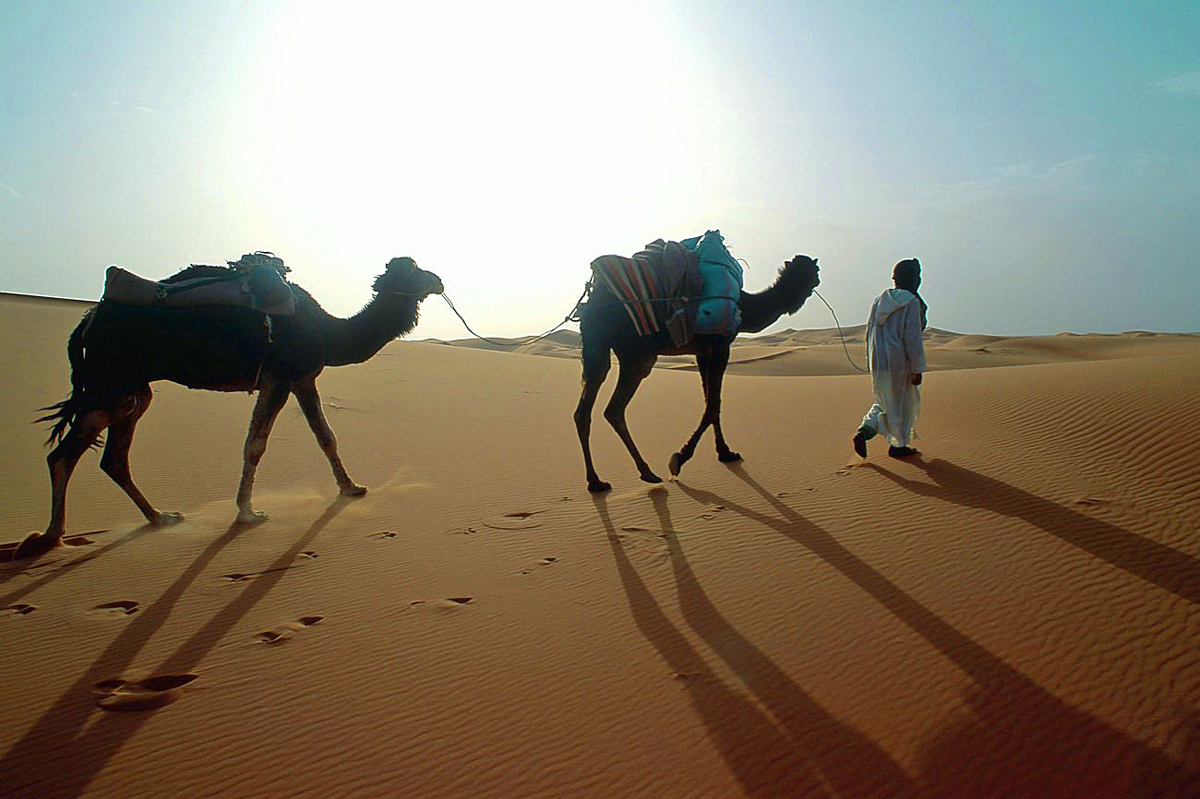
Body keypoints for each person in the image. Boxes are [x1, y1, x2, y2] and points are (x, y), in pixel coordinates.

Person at [853, 258, 927, 458]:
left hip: (879, 361)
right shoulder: (911, 302)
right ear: (913, 278)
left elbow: (870, 333)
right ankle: (898, 446)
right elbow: (912, 338)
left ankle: (865, 430)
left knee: (884, 401)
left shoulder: (879, 300)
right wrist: (917, 368)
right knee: (902, 403)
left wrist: (871, 360)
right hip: (900, 362)